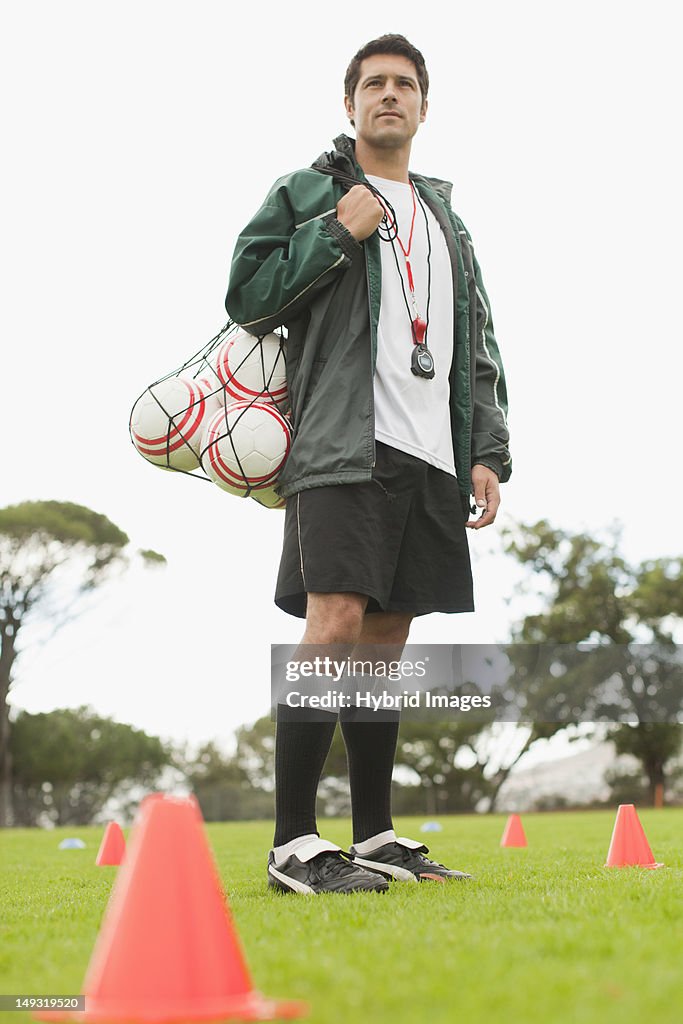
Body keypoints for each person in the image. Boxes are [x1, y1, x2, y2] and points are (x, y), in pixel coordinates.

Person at [225, 34, 511, 894]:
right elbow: (247, 294)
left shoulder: (447, 220)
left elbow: (478, 344)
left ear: (423, 106)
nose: (389, 95)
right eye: (373, 84)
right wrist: (333, 235)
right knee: (337, 623)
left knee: (386, 643)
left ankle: (378, 834)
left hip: (430, 454)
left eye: (404, 85)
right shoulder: (309, 191)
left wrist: (487, 450)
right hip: (341, 442)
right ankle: (291, 844)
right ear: (348, 104)